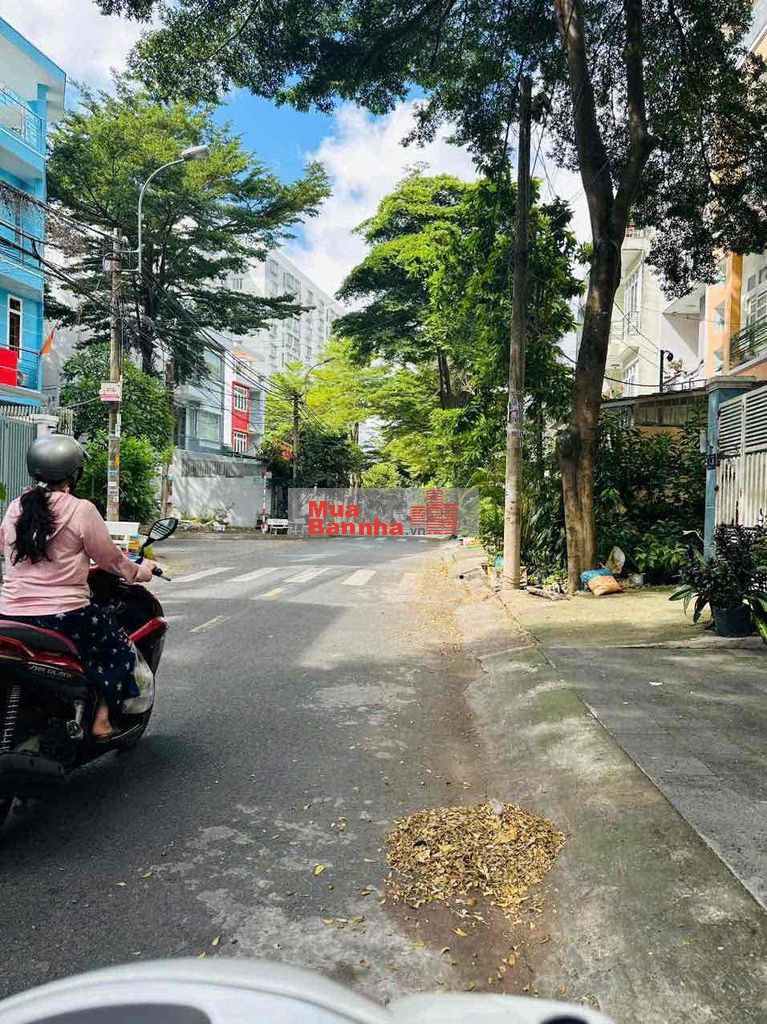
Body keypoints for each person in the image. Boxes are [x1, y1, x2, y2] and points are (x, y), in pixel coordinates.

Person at [0, 435, 157, 740]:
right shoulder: (81, 509)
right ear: (74, 473)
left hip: (10, 614)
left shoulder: (17, 506)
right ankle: (102, 719)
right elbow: (110, 558)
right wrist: (140, 571)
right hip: (65, 614)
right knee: (119, 649)